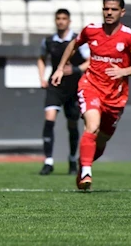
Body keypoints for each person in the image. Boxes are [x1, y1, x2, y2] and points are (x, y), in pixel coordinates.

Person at [51, 0, 131, 191]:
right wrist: (60, 68)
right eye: (106, 9)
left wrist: (123, 71)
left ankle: (83, 163)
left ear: (122, 12)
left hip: (115, 96)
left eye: (113, 9)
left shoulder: (130, 37)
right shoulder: (92, 30)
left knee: (101, 140)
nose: (109, 13)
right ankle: (87, 170)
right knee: (92, 127)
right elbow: (73, 44)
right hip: (90, 86)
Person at [36, 9, 90, 175]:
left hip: (74, 87)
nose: (61, 21)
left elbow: (90, 61)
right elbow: (41, 58)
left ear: (69, 21)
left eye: (64, 18)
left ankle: (73, 159)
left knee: (72, 124)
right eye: (58, 18)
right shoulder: (48, 41)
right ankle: (48, 161)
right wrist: (42, 78)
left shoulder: (78, 40)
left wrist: (74, 69)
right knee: (49, 118)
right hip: (55, 85)